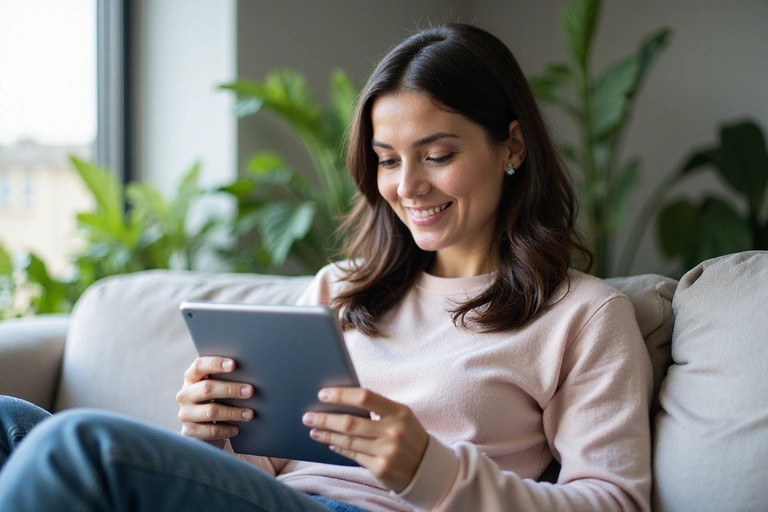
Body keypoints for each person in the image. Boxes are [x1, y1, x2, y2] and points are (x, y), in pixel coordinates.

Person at [0, 22, 652, 511]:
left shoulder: (582, 314)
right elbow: (262, 476)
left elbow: (615, 502)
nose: (407, 185)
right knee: (7, 419)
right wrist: (214, 438)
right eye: (388, 159)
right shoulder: (343, 289)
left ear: (511, 144)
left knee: (80, 446)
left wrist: (430, 468)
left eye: (437, 153)